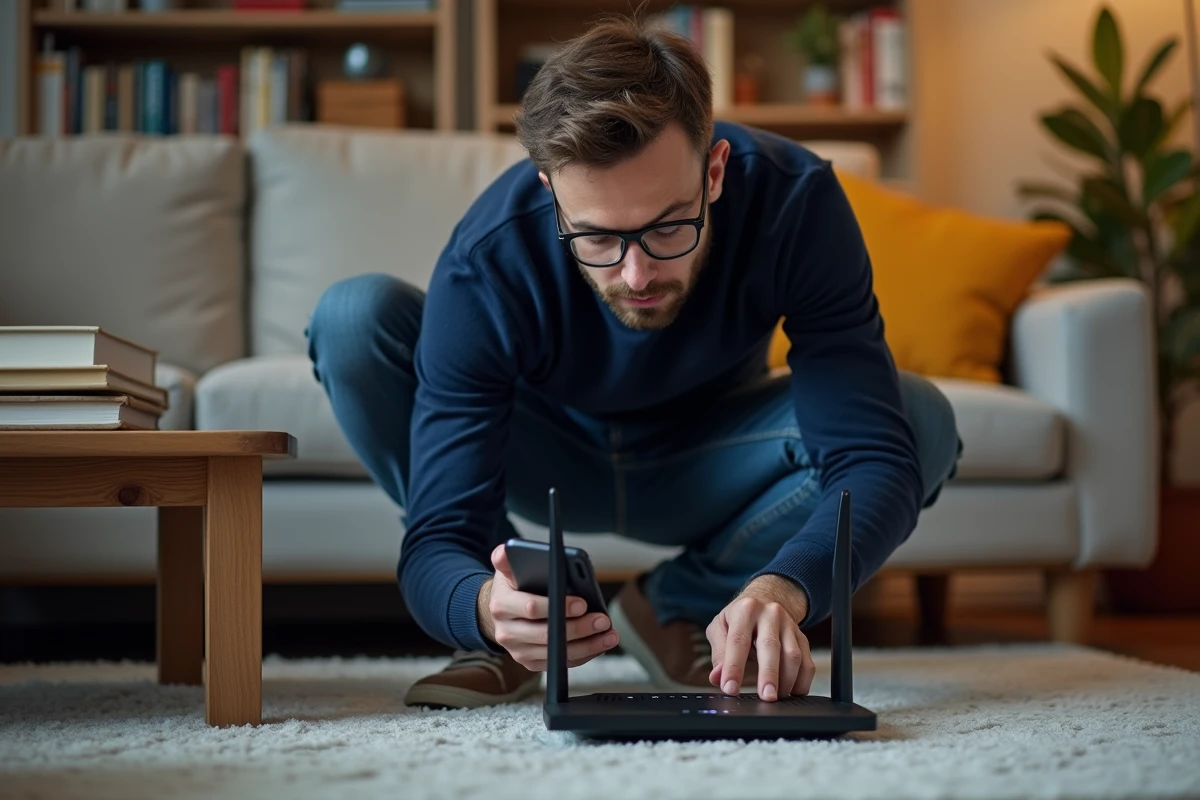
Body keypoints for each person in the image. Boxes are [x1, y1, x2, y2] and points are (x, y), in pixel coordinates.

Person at [306, 13, 961, 711]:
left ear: (714, 171)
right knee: (352, 318)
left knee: (918, 419)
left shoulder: (794, 199)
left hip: (710, 460)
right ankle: (518, 630)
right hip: (547, 457)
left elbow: (871, 455)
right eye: (596, 237)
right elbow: (438, 534)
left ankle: (679, 605)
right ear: (551, 191)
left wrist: (788, 588)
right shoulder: (489, 257)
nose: (636, 273)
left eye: (667, 225)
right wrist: (484, 604)